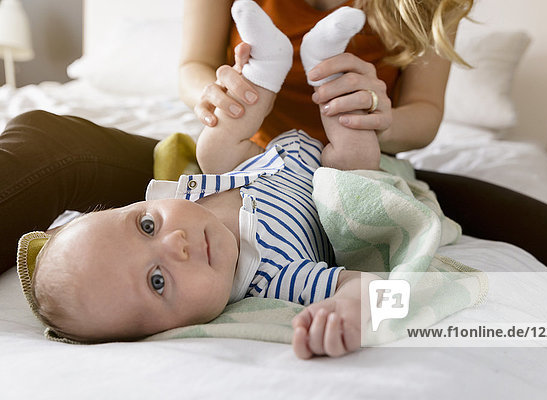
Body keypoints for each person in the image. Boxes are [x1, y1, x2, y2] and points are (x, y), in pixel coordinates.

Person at [0, 0, 547, 279]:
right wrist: (213, 94)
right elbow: (190, 68)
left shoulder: (428, 5)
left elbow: (427, 115)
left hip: (358, 168)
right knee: (44, 135)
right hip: (238, 161)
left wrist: (377, 118)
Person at [29, 2, 380, 359]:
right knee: (356, 163)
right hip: (327, 170)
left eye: (147, 225)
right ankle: (327, 68)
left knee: (212, 152)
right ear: (167, 333)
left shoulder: (195, 202)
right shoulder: (275, 278)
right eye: (158, 281)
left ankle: (264, 68)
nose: (176, 243)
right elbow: (371, 288)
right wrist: (349, 309)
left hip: (265, 154)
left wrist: (227, 95)